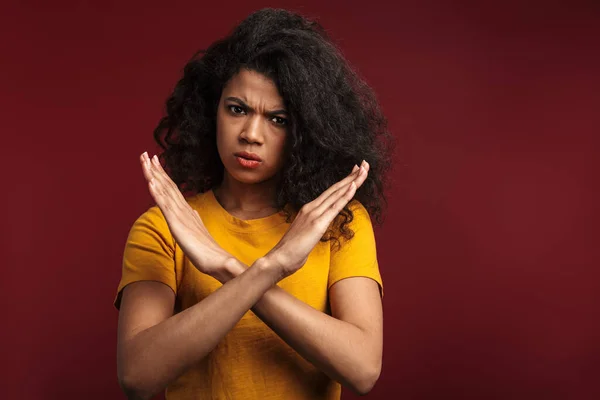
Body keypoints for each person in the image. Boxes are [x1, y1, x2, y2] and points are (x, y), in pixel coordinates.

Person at [113, 7, 394, 400]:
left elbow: (362, 369)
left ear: (306, 130)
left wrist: (232, 269)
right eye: (237, 109)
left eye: (277, 119)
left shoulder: (336, 223)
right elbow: (138, 376)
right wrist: (269, 269)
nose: (250, 134)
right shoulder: (165, 227)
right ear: (212, 113)